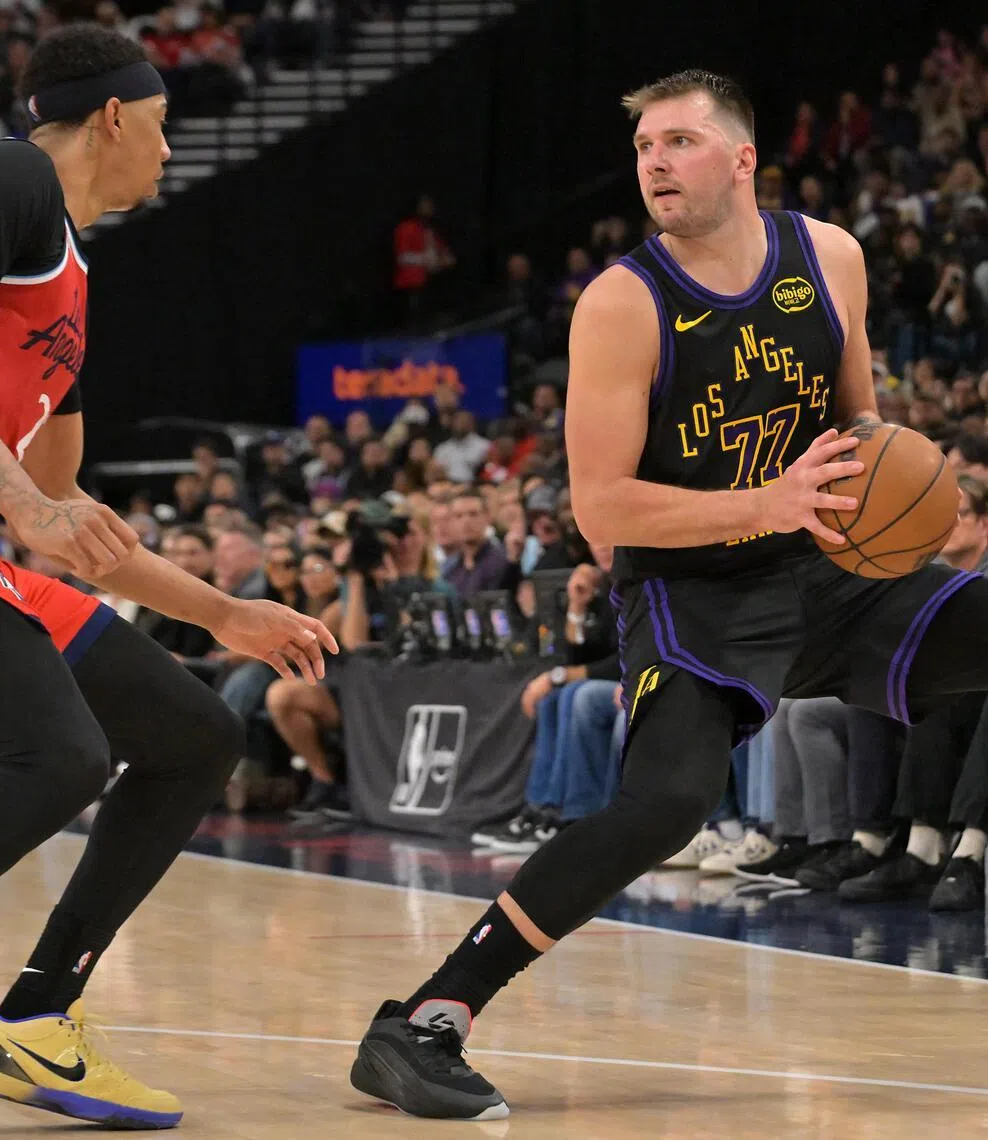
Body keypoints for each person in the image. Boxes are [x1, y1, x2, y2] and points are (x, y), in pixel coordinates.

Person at [350, 69, 988, 1120]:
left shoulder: (831, 255)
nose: (655, 161)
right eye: (645, 146)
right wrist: (768, 503)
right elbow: (601, 509)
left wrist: (893, 486)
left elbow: (860, 429)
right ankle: (425, 1020)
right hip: (694, 593)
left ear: (743, 159)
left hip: (829, 567)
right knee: (665, 807)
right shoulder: (623, 302)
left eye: (680, 141)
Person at [0, 25, 338, 1137]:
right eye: (161, 126)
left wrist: (225, 612)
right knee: (57, 754)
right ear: (114, 115)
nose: (168, 152)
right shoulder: (8, 177)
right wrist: (26, 506)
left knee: (193, 733)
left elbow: (68, 512)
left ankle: (35, 1017)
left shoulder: (70, 279)